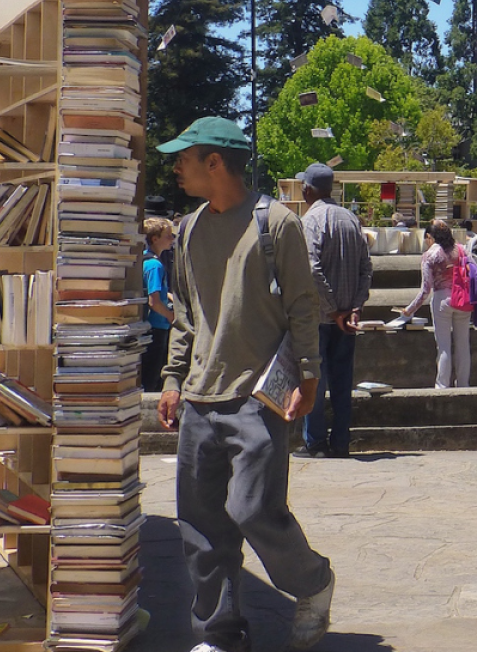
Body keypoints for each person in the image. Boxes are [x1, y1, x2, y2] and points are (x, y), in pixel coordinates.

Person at [153, 118, 334, 652]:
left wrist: (309, 373)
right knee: (202, 530)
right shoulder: (186, 231)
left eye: (184, 157)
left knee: (254, 509)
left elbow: (303, 303)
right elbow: (186, 315)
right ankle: (219, 634)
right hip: (200, 398)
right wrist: (171, 379)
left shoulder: (276, 224)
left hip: (258, 397)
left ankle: (312, 582)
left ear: (215, 163)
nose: (176, 167)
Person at [295, 163, 373, 459]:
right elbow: (367, 268)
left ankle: (315, 443)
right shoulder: (351, 219)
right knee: (342, 382)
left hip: (319, 317)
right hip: (346, 320)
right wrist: (354, 307)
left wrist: (332, 310)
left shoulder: (311, 220)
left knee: (314, 378)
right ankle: (341, 441)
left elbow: (312, 269)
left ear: (307, 190)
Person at [404, 220, 472, 388]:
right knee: (463, 345)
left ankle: (442, 386)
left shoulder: (430, 255)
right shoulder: (461, 250)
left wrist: (409, 309)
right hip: (463, 299)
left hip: (442, 299)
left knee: (444, 346)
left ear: (429, 237)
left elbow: (425, 290)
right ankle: (463, 385)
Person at [142, 217, 176, 394]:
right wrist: (172, 317)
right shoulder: (155, 265)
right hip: (157, 327)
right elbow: (154, 301)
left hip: (148, 327)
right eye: (168, 236)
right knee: (152, 377)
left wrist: (170, 298)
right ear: (155, 238)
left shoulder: (146, 261)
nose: (172, 240)